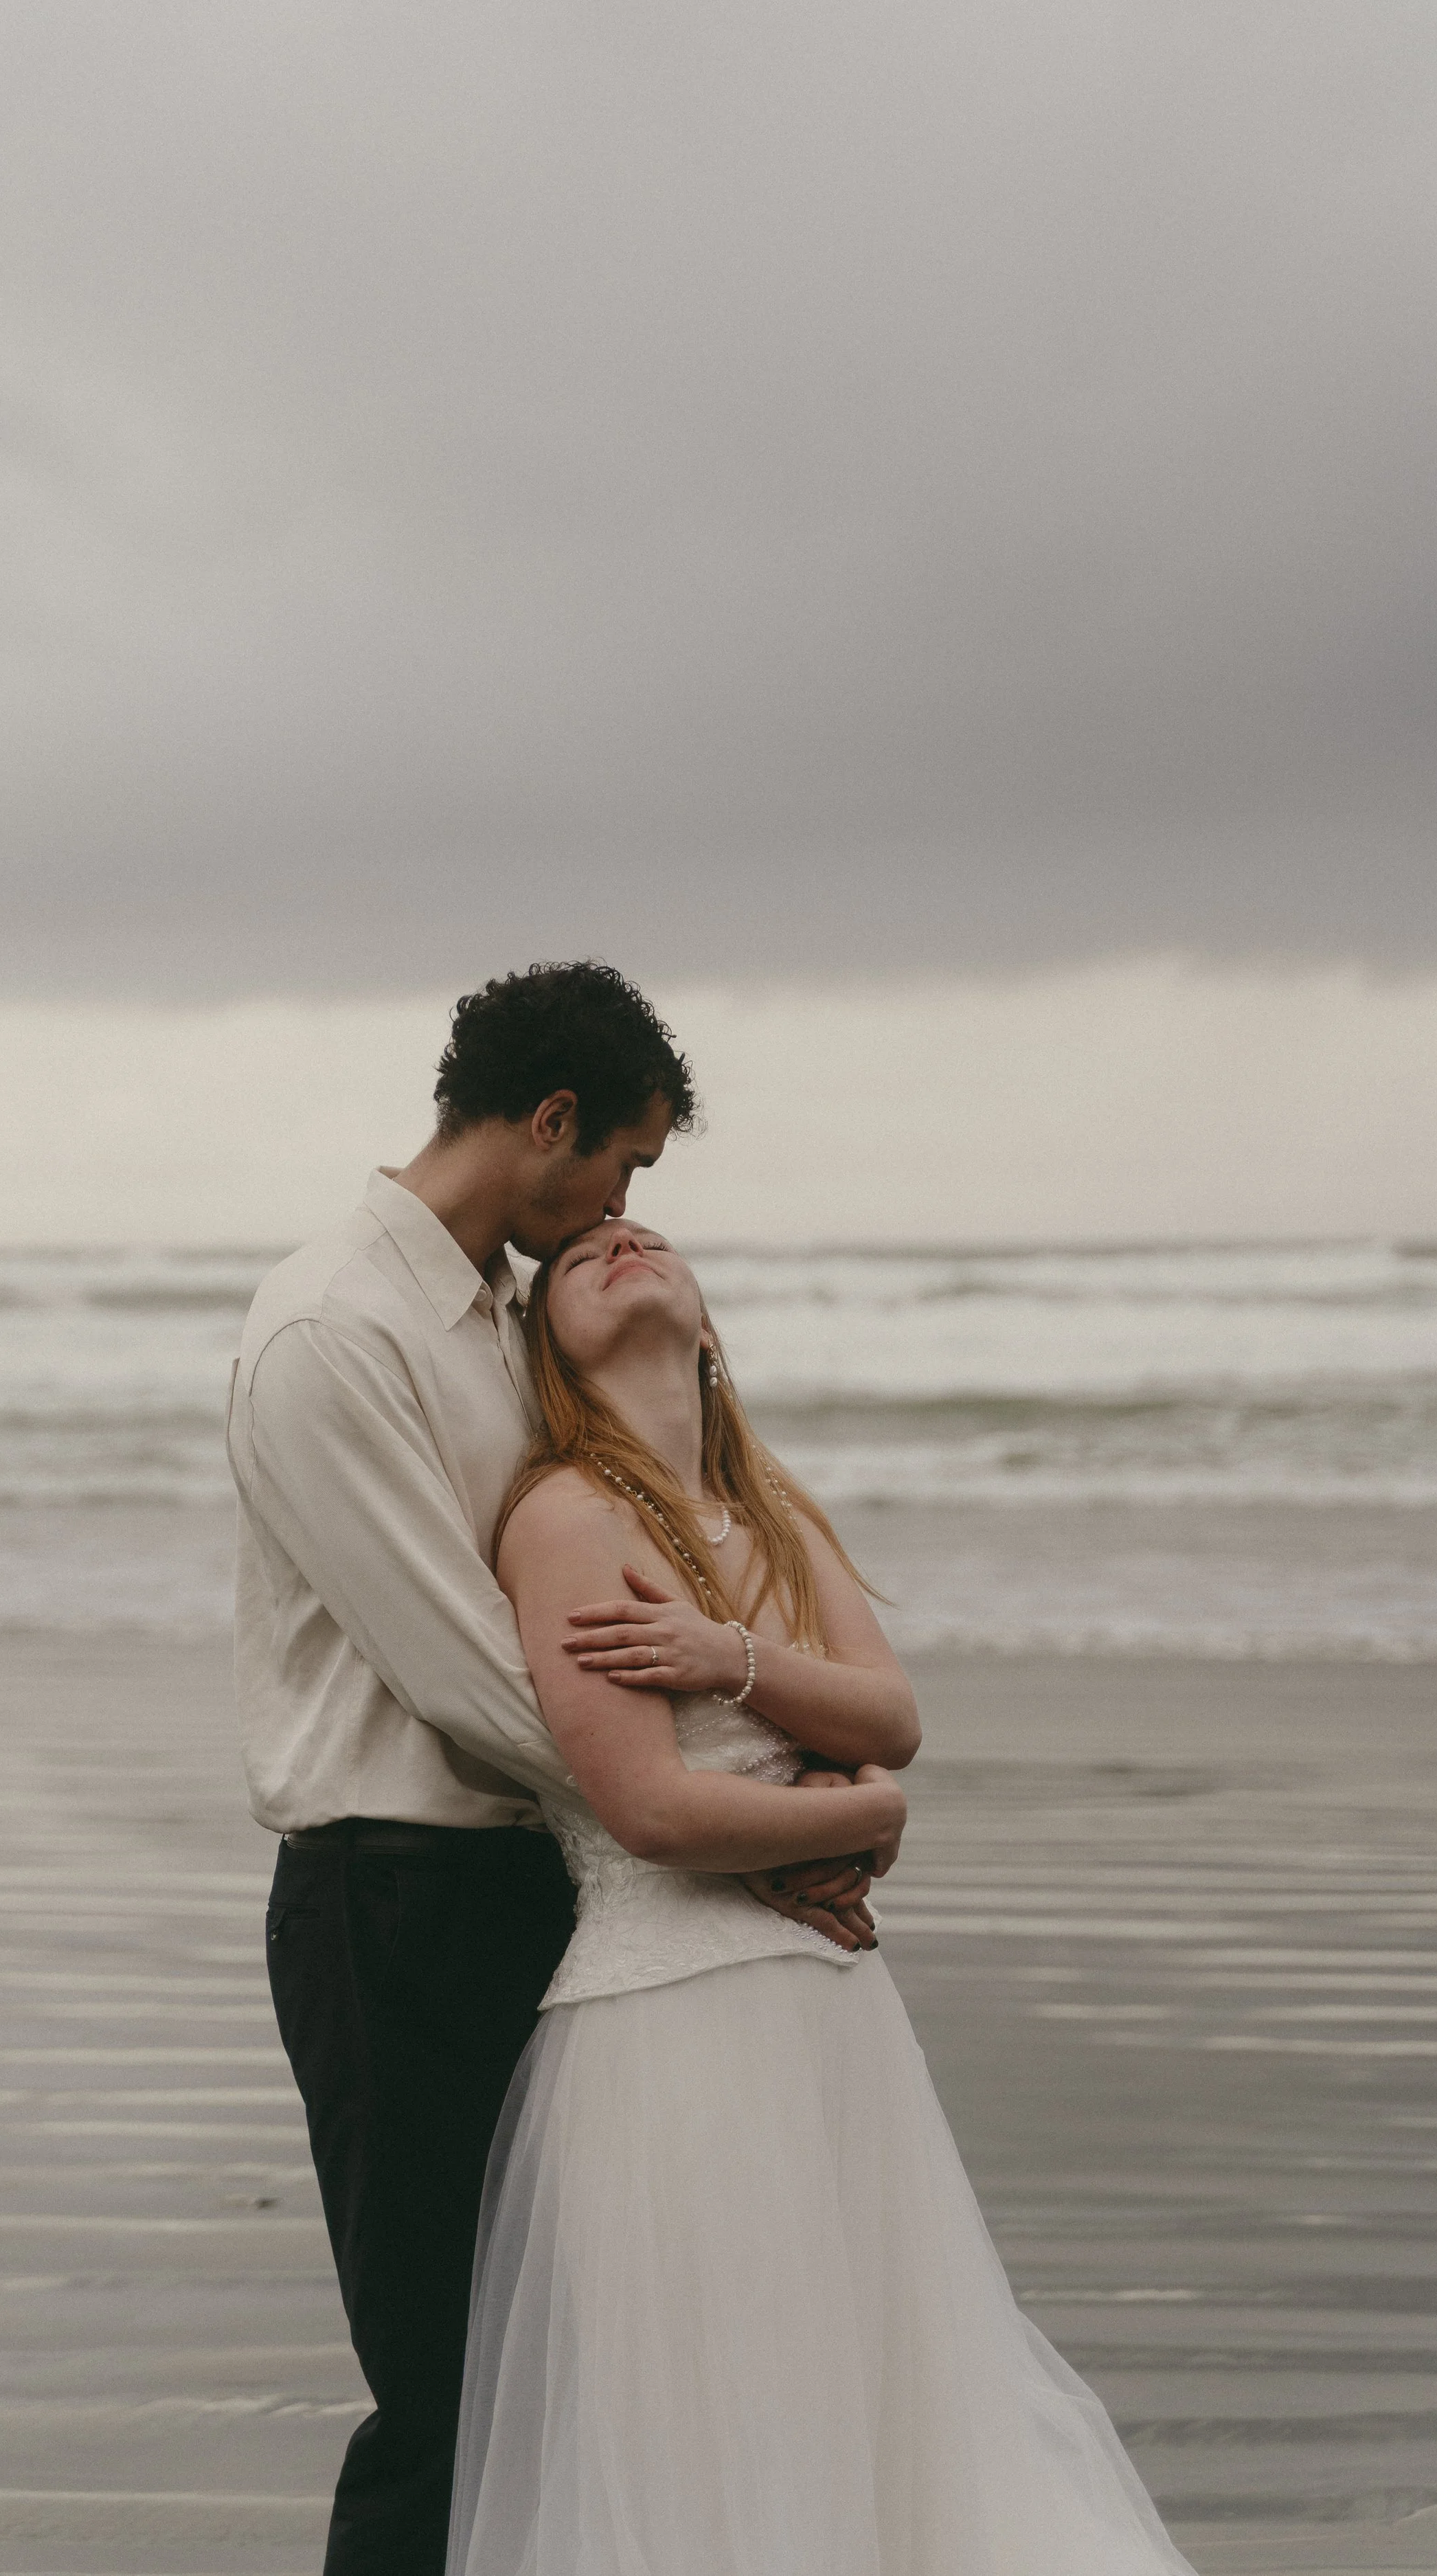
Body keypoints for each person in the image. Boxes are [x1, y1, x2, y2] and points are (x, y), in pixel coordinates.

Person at [226, 962, 879, 2576]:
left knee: (571, 2381)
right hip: (394, 1905)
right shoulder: (333, 1331)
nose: (622, 1206)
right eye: (627, 1165)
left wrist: (715, 1789)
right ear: (550, 1120)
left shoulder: (508, 1319)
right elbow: (462, 1672)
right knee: (444, 2391)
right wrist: (720, 1818)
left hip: (557, 1887)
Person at [444, 1214, 1199, 2576]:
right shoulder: (565, 1516)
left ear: (709, 1330)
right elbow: (652, 1810)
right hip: (671, 2024)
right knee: (723, 2422)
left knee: (874, 2405)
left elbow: (888, 1713)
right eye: (577, 1256)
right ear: (547, 1352)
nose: (618, 1238)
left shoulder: (772, 1515)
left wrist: (725, 1655)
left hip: (836, 2022)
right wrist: (866, 1810)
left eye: (647, 1233)